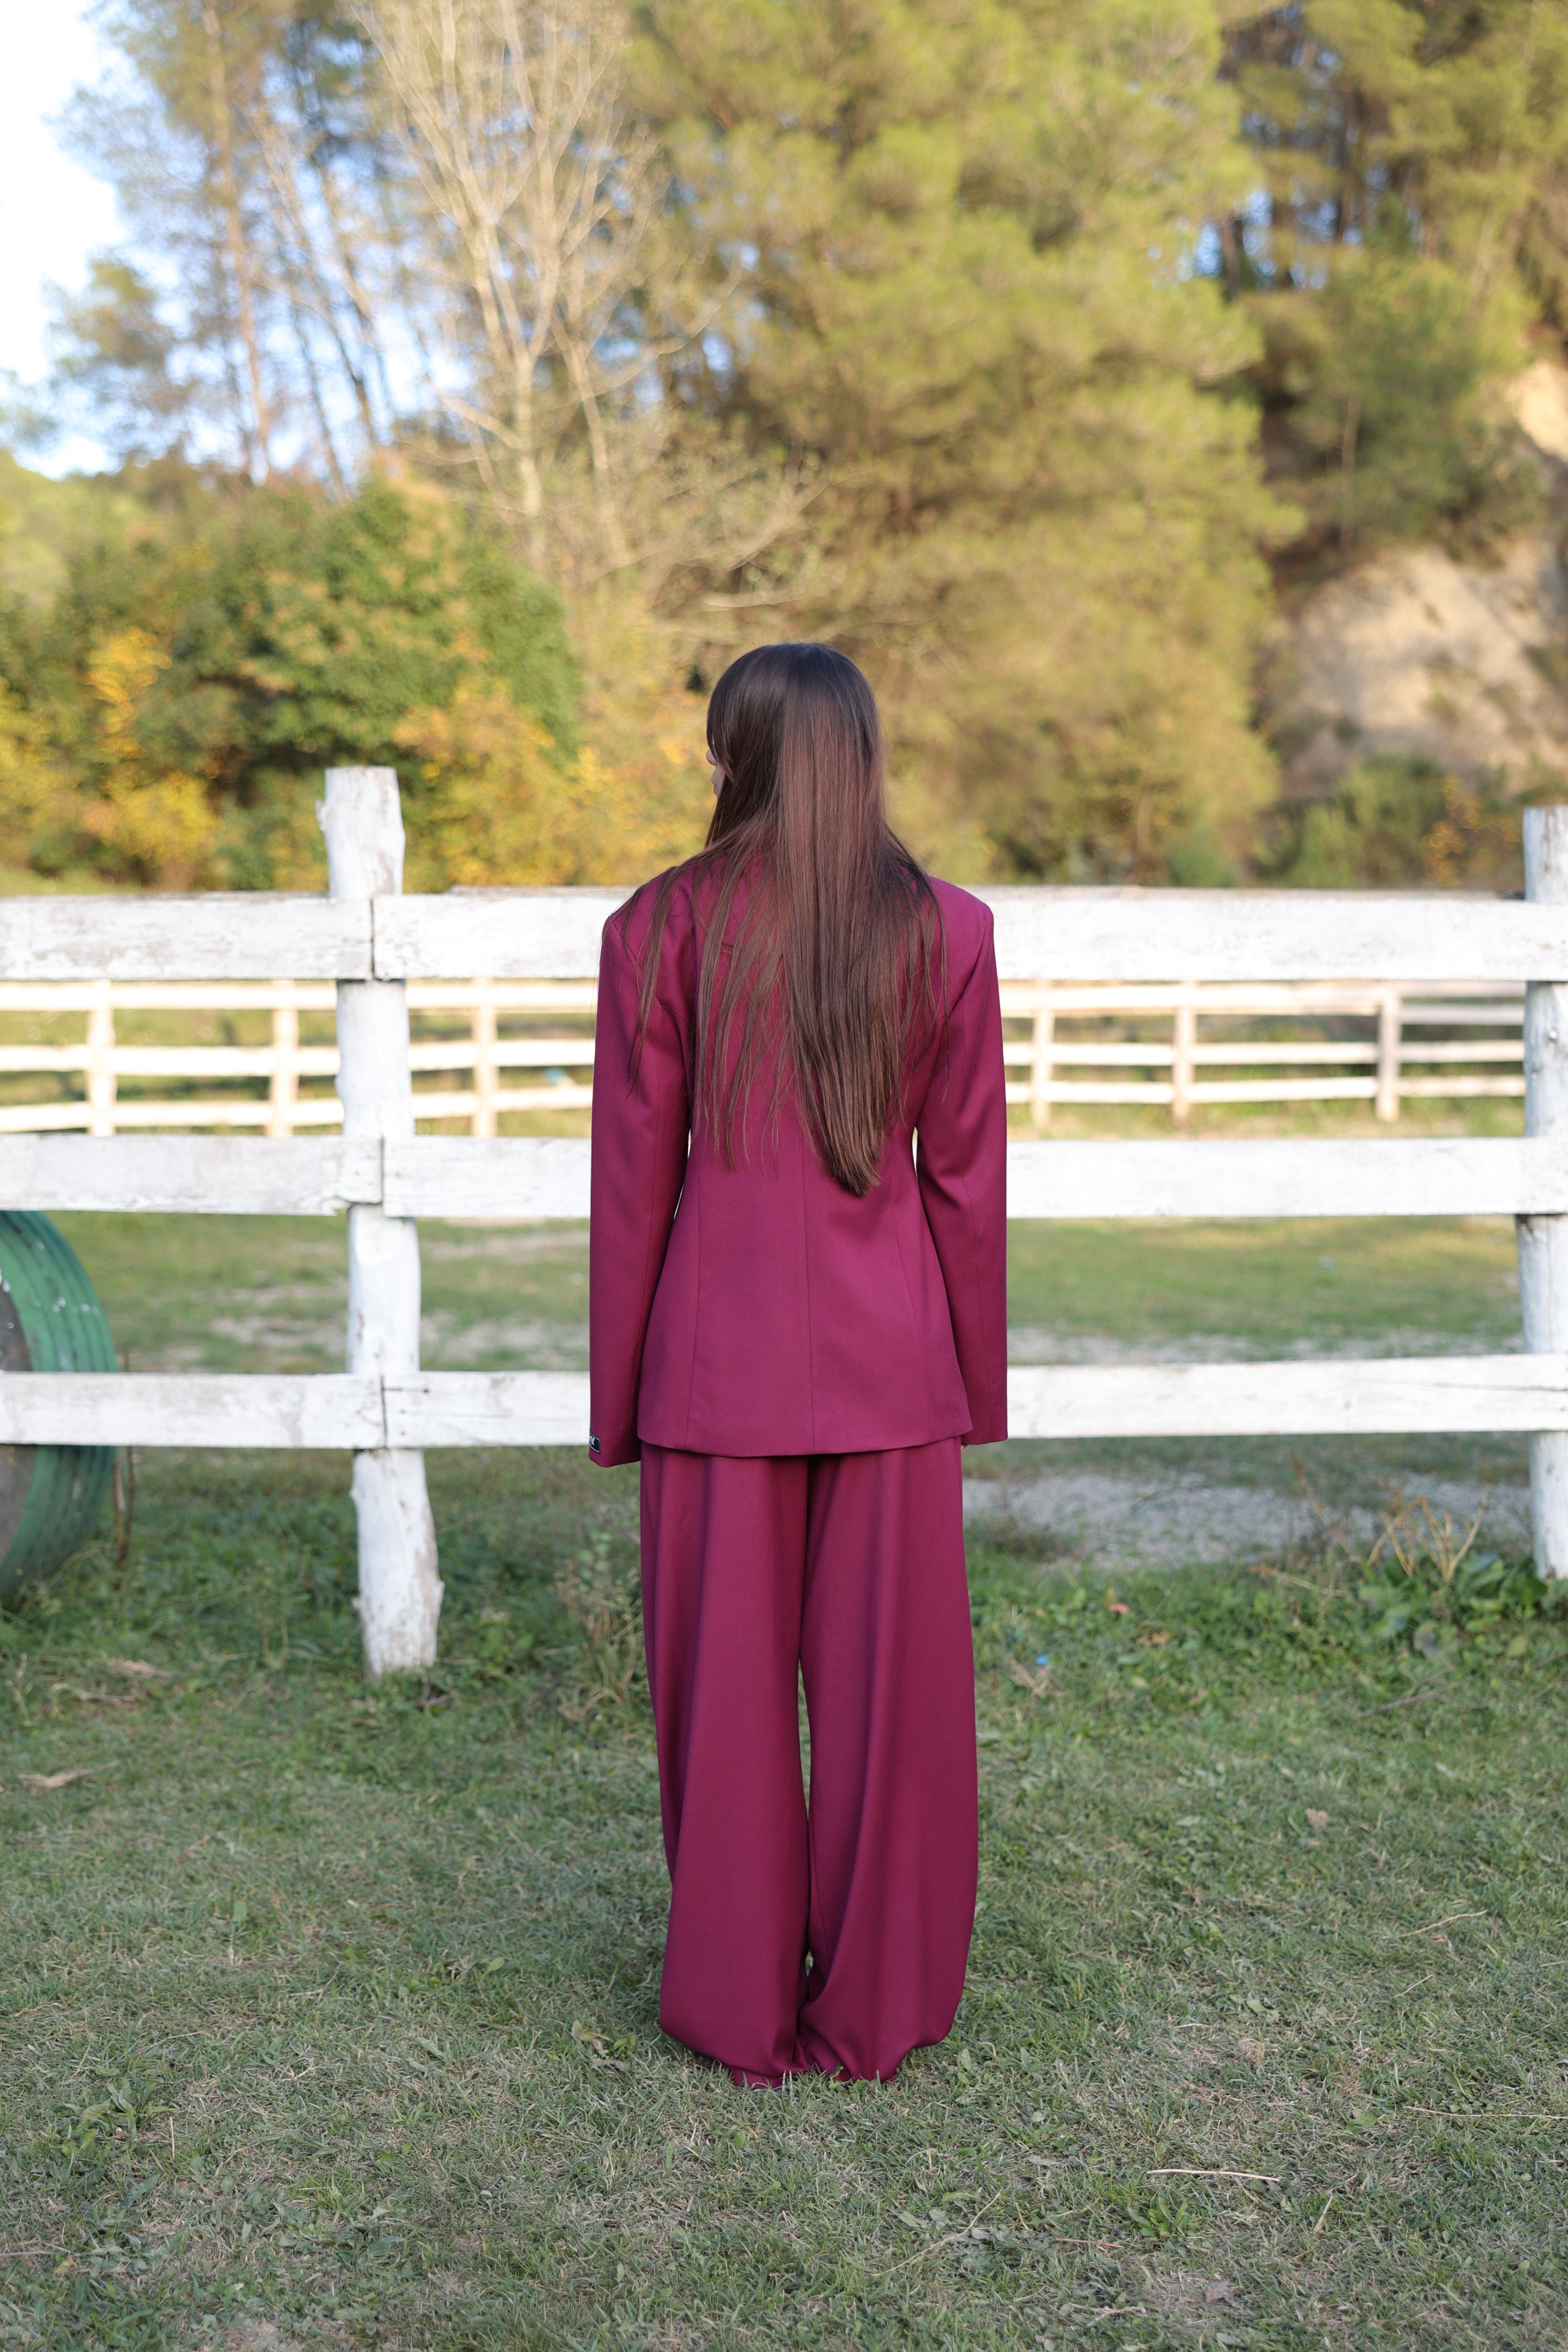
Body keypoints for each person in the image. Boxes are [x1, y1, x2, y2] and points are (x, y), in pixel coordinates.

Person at [588, 640, 1007, 2086]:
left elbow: (633, 1183)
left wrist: (618, 1405)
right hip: (896, 1369)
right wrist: (975, 1389)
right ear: (863, 752)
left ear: (741, 754)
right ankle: (878, 2008)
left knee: (724, 1707)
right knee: (898, 1711)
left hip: (714, 1372)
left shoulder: (659, 927)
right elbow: (965, 1176)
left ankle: (735, 2008)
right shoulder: (948, 929)